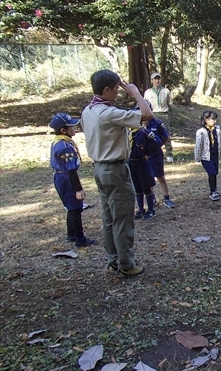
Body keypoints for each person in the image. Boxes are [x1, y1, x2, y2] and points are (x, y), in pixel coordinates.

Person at [81, 69, 153, 278]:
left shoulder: (89, 110)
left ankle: (114, 260)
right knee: (122, 218)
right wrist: (136, 94)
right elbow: (147, 115)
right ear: (106, 89)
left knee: (109, 217)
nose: (117, 93)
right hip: (115, 169)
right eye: (115, 89)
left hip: (99, 167)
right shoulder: (109, 113)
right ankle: (126, 264)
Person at [49, 113, 96, 248]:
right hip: (66, 178)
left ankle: (71, 234)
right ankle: (80, 239)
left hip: (60, 176)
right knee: (75, 208)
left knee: (70, 207)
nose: (75, 129)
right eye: (72, 127)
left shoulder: (58, 141)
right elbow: (71, 170)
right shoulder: (65, 146)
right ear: (64, 130)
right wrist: (78, 189)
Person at [129, 114, 163, 220]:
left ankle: (151, 210)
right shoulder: (128, 133)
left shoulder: (144, 132)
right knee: (137, 188)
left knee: (146, 187)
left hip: (142, 163)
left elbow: (157, 142)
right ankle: (140, 209)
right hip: (131, 162)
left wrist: (148, 152)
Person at [143, 102, 176, 209]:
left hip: (155, 153)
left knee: (160, 176)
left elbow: (165, 137)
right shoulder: (137, 123)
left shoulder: (157, 122)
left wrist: (157, 145)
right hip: (143, 155)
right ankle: (151, 199)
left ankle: (166, 198)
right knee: (147, 178)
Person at [194, 111, 221, 201]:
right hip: (205, 156)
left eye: (215, 119)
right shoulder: (201, 132)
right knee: (212, 172)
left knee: (215, 172)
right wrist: (197, 157)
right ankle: (212, 191)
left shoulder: (217, 130)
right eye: (212, 119)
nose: (215, 121)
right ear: (206, 120)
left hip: (215, 155)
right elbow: (198, 145)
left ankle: (215, 189)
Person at [144, 72, 174, 162]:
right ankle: (151, 152)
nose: (157, 80)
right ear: (151, 80)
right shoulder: (148, 92)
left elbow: (169, 104)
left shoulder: (166, 91)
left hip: (163, 114)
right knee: (151, 134)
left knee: (166, 133)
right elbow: (146, 105)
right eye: (155, 79)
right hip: (152, 115)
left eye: (159, 79)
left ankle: (169, 154)